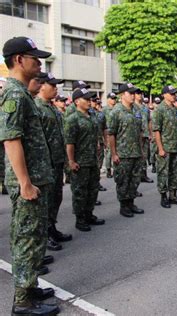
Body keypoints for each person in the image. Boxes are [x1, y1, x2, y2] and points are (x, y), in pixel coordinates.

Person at [0, 36, 59, 315]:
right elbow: (11, 140)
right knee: (26, 238)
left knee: (35, 236)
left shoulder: (22, 93)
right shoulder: (13, 94)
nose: (39, 62)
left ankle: (31, 286)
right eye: (34, 57)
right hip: (29, 182)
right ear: (18, 60)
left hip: (37, 178)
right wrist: (25, 183)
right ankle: (22, 302)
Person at [35, 73, 73, 252]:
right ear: (42, 86)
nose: (56, 88)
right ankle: (44, 235)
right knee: (46, 201)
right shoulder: (37, 108)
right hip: (45, 164)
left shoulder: (52, 109)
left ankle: (52, 228)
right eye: (52, 85)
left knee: (56, 197)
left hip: (57, 161)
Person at [65, 88, 106, 232]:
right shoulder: (72, 119)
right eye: (86, 99)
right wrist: (71, 161)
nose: (90, 101)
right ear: (77, 101)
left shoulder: (92, 116)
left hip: (93, 160)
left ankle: (89, 214)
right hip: (80, 162)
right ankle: (80, 218)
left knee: (92, 189)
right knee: (80, 191)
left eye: (90, 99)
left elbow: (96, 135)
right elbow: (70, 143)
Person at [108, 83, 145, 217]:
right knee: (123, 180)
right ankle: (124, 206)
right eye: (131, 93)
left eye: (134, 93)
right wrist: (113, 153)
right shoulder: (116, 112)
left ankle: (131, 202)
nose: (134, 95)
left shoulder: (136, 109)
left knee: (134, 180)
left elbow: (139, 131)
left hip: (135, 151)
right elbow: (111, 134)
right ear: (122, 95)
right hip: (123, 153)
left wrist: (141, 150)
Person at [152, 85, 177, 208]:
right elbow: (156, 131)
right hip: (165, 148)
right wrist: (160, 148)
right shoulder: (159, 109)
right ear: (164, 95)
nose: (174, 95)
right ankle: (163, 197)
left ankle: (173, 195)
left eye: (175, 93)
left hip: (176, 146)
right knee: (163, 173)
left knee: (175, 172)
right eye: (171, 93)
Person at [103, 92, 117, 178]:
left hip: (116, 133)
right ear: (108, 99)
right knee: (108, 153)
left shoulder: (117, 109)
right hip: (108, 133)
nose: (113, 100)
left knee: (116, 151)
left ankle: (115, 169)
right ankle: (108, 169)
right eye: (112, 98)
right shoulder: (104, 110)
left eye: (114, 98)